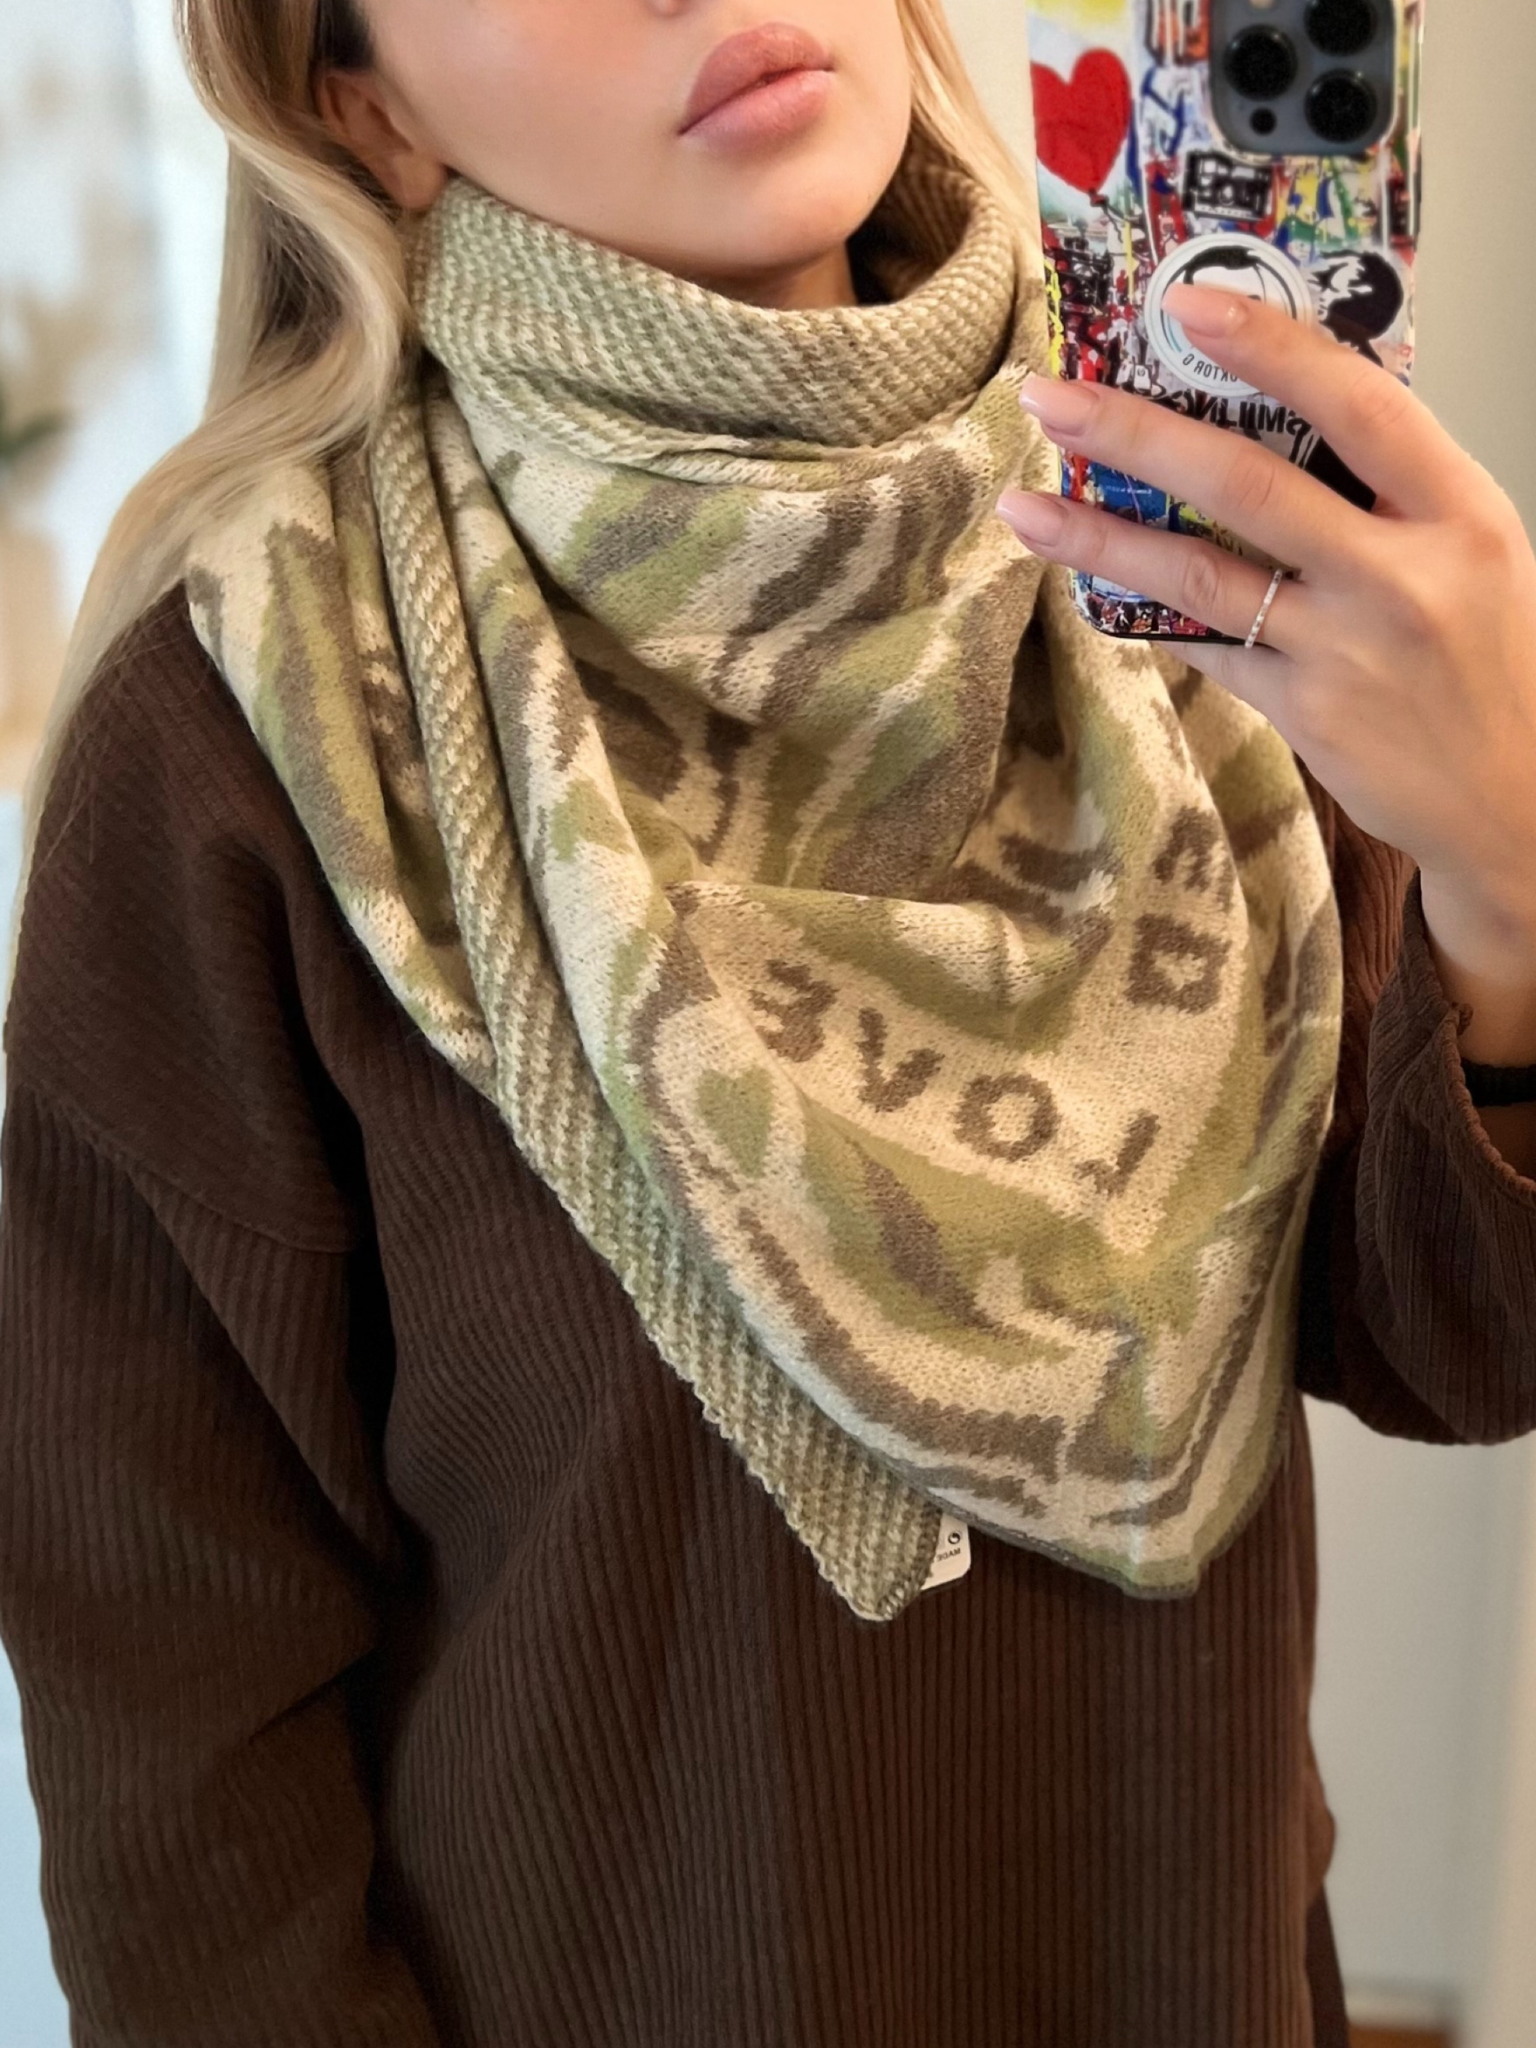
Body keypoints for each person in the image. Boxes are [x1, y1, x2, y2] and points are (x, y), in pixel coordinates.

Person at [1, 5, 1534, 2046]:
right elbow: (176, 1744)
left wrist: (1510, 866)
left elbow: (1454, 1339)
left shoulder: (1187, 551)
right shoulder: (245, 736)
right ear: (361, 109)